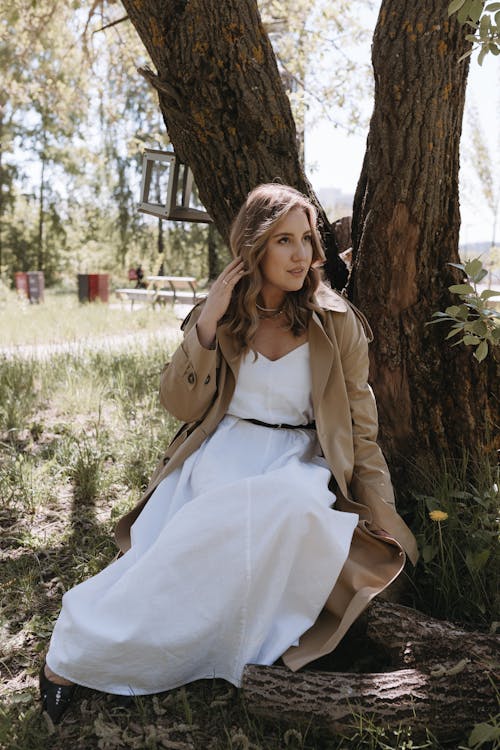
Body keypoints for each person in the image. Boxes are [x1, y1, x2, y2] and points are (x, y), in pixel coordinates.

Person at [40, 183, 418, 724]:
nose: (302, 255)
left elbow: (361, 429)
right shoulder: (219, 314)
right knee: (193, 536)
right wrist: (208, 324)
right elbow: (179, 402)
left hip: (295, 457)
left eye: (308, 240)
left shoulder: (335, 323)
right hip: (224, 447)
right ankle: (76, 650)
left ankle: (237, 650)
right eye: (284, 240)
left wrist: (382, 510)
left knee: (292, 507)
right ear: (254, 247)